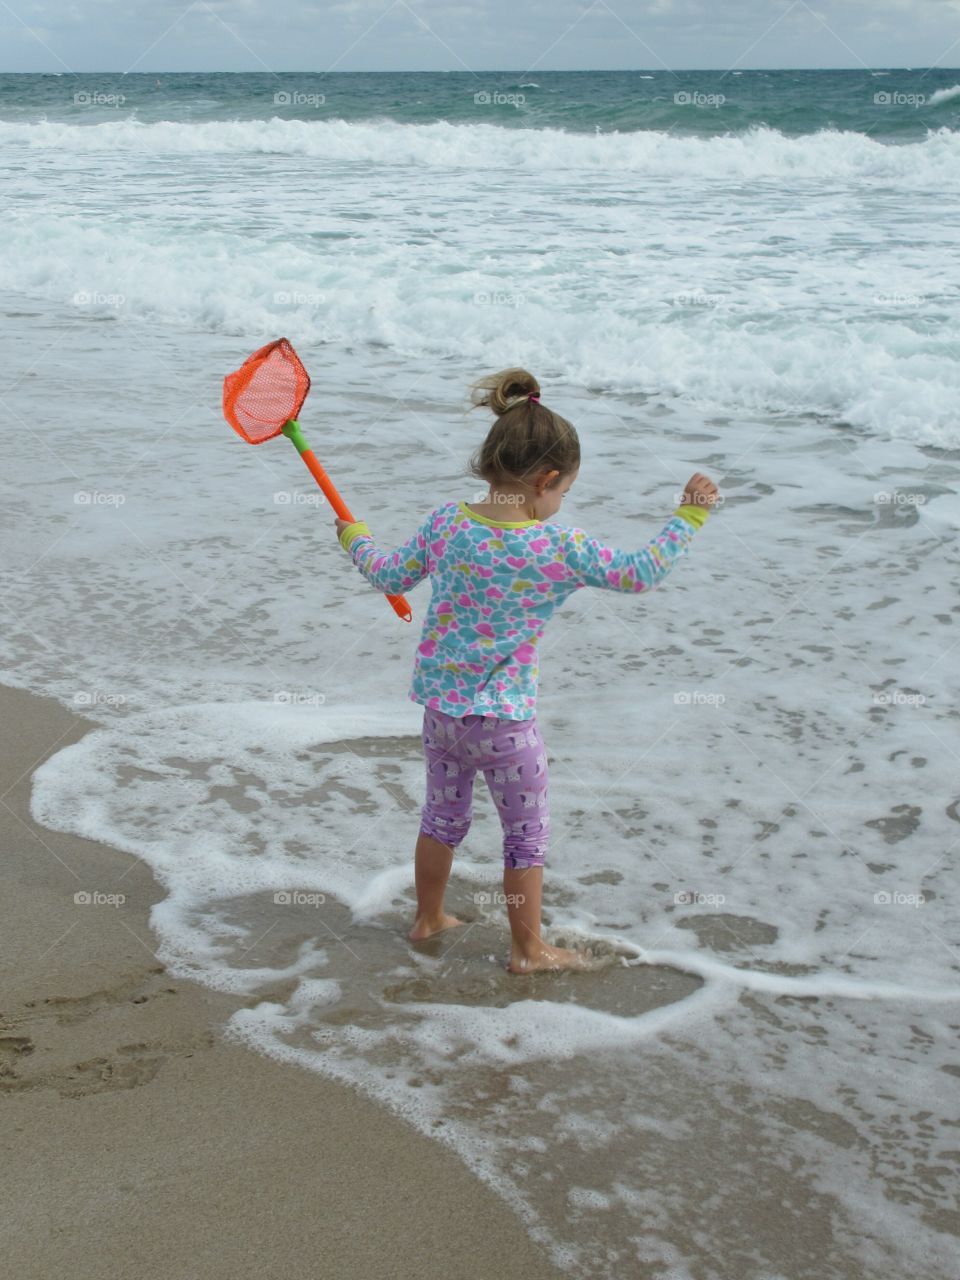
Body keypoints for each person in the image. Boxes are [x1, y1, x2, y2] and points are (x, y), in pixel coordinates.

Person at [335, 368, 719, 973]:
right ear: (546, 481)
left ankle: (428, 917)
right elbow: (640, 573)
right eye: (563, 490)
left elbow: (387, 574)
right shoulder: (558, 547)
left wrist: (354, 538)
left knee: (440, 819)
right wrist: (689, 516)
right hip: (508, 726)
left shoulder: (446, 523)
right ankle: (527, 949)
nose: (560, 502)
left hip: (442, 715)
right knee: (525, 838)